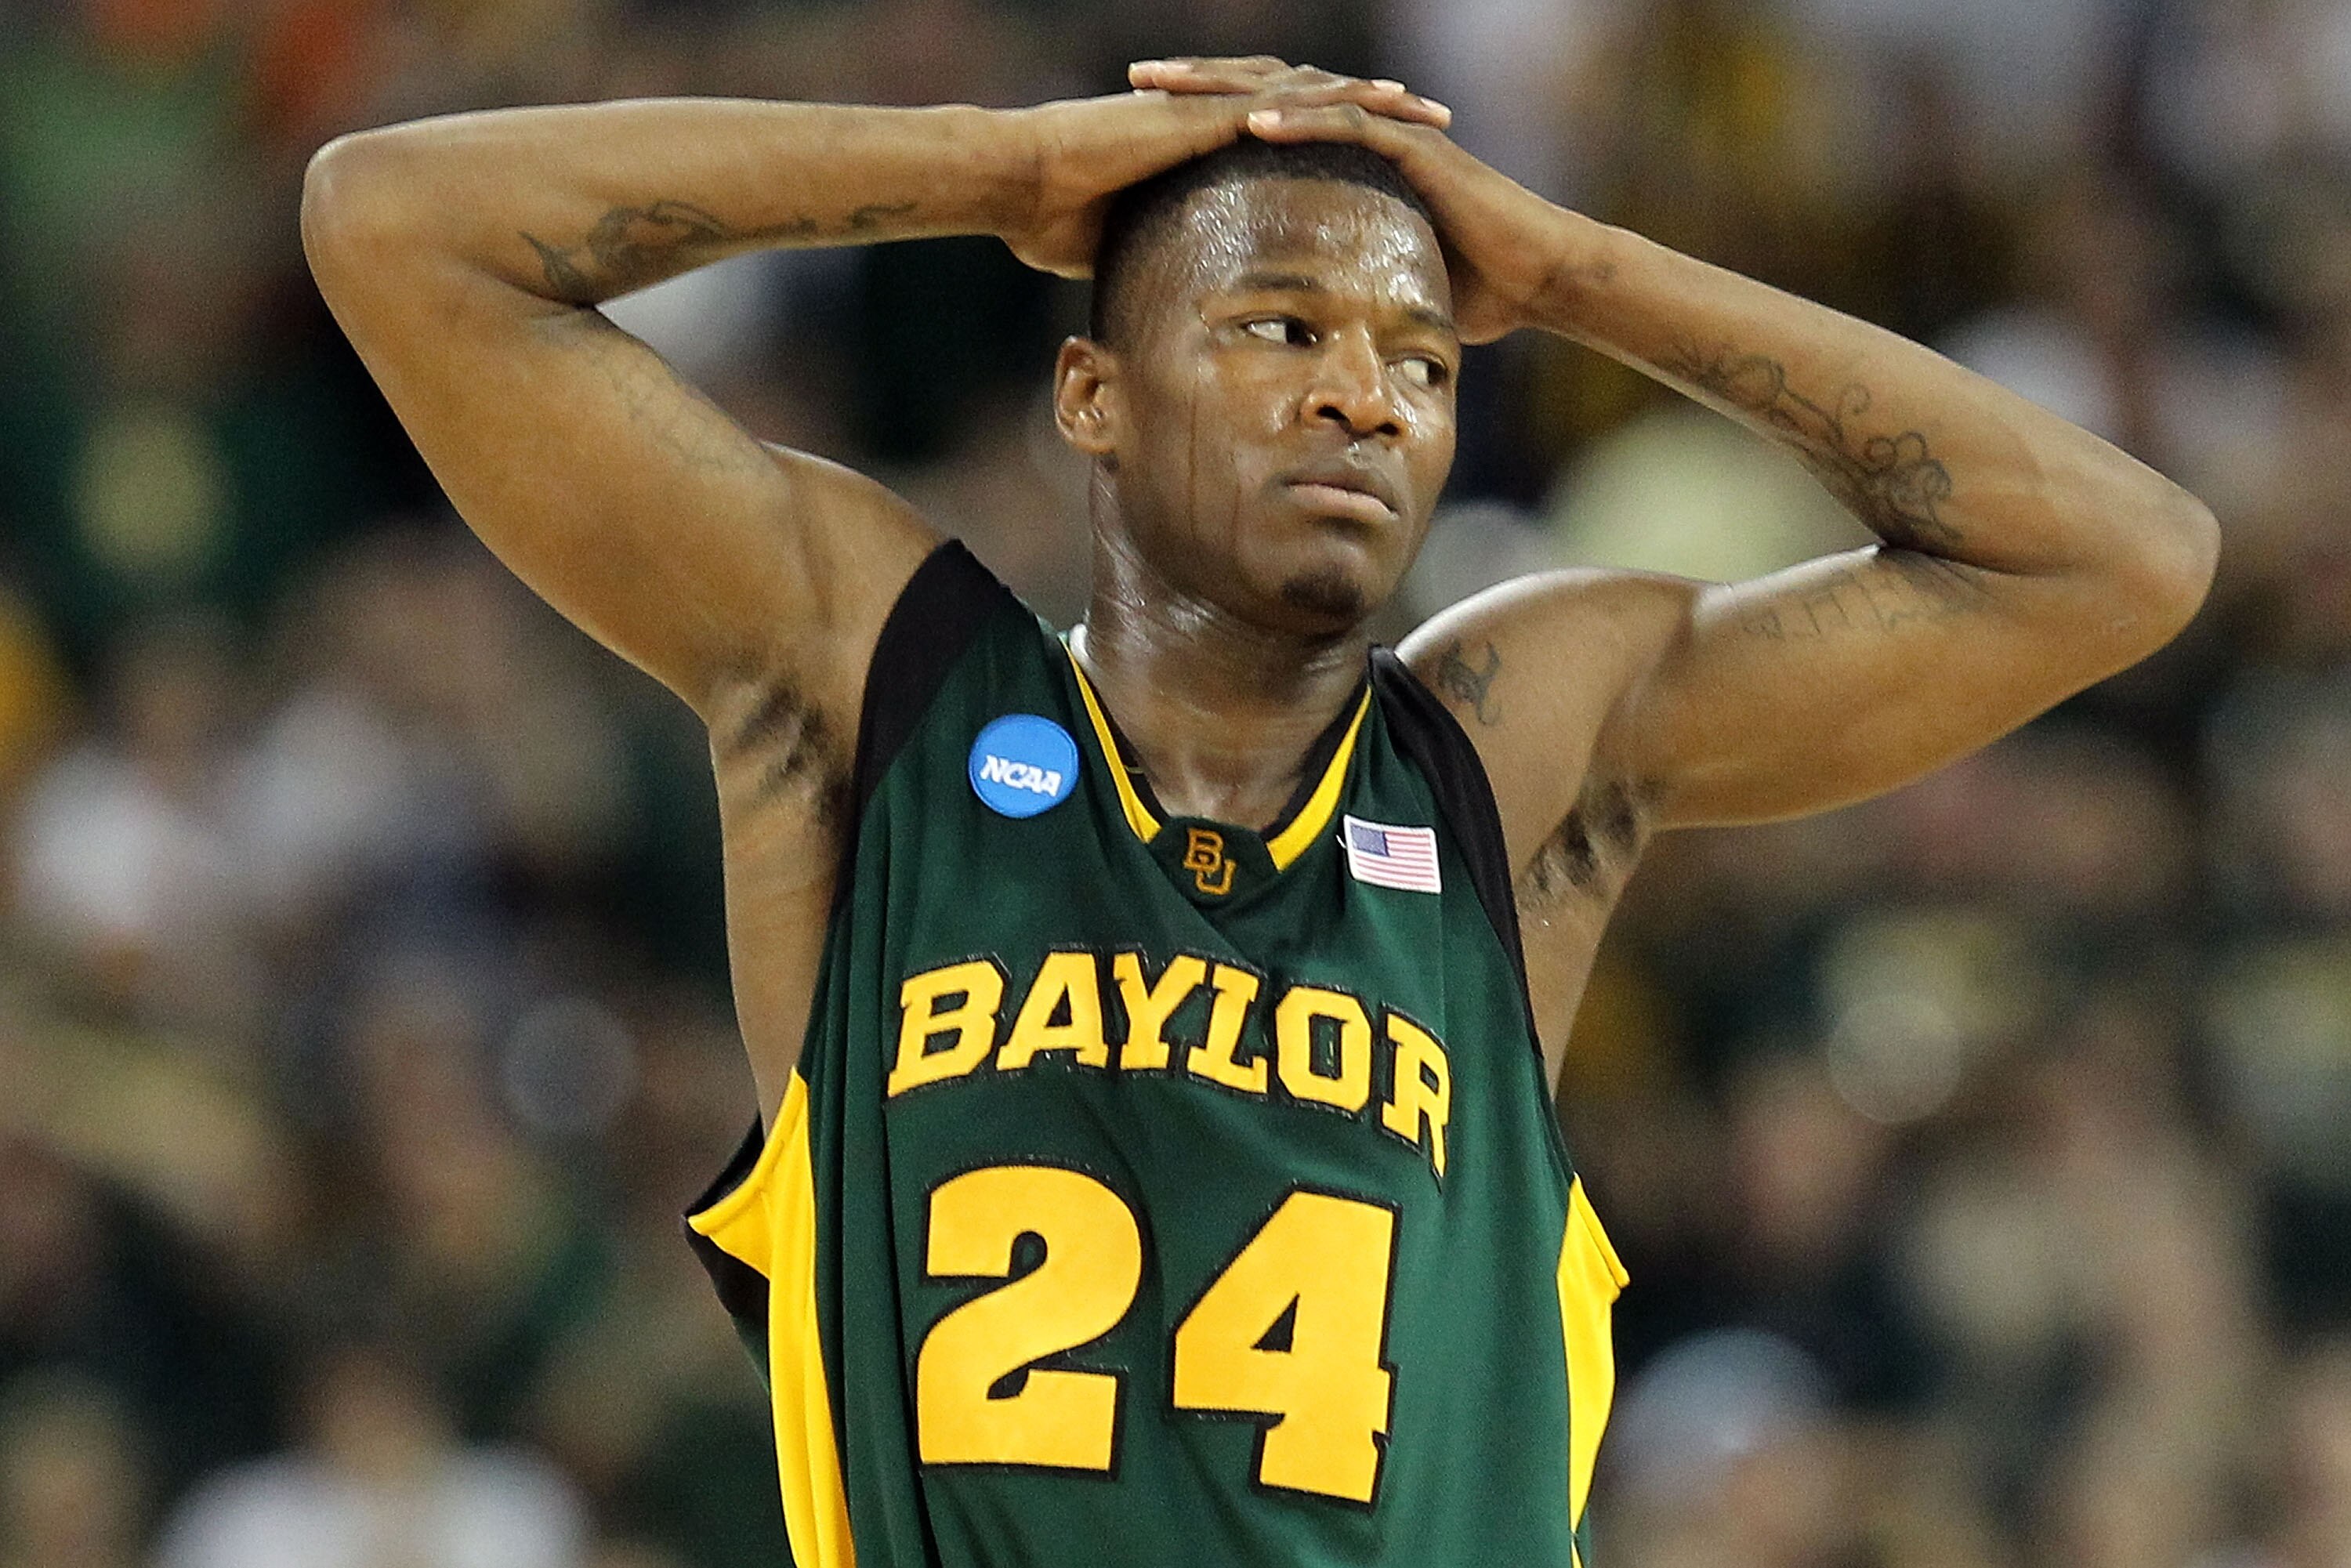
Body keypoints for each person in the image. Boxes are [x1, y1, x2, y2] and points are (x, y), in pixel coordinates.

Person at [299, 56, 2218, 1567]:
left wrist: (1571, 269)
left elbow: (2120, 554)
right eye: (1279, 328)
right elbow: (394, 223)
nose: (1363, 397)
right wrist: (996, 168)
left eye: (1422, 359)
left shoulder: (1507, 748)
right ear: (1091, 391)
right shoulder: (877, 686)